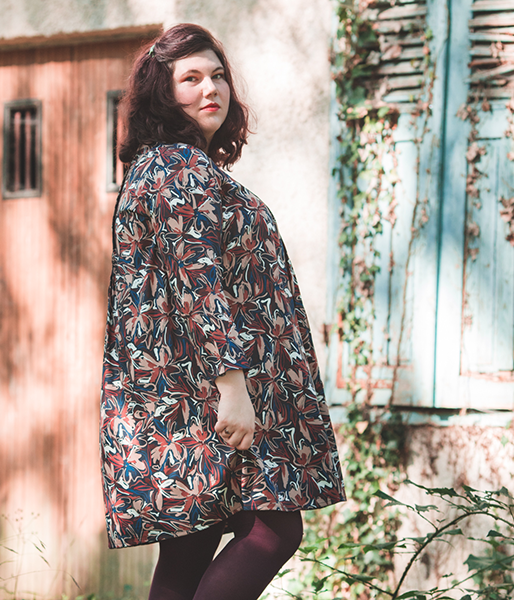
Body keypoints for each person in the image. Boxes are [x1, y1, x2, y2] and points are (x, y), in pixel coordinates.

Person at [100, 23, 345, 600]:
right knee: (271, 530)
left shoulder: (165, 167)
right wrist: (232, 385)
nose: (210, 88)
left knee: (191, 547)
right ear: (163, 93)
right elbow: (199, 281)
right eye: (190, 78)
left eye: (217, 75)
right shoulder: (177, 167)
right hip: (207, 392)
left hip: (184, 390)